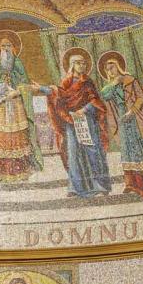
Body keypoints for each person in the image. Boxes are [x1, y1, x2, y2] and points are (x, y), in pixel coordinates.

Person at [33, 51, 111, 198]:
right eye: (78, 63)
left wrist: (84, 109)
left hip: (87, 120)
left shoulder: (87, 82)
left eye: (84, 63)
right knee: (73, 153)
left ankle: (100, 185)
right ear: (72, 65)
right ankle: (76, 187)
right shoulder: (66, 82)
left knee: (92, 151)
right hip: (71, 121)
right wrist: (41, 89)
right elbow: (58, 94)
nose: (82, 65)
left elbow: (96, 101)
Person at [99, 52, 143, 205]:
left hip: (135, 118)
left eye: (112, 67)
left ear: (118, 67)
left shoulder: (130, 80)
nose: (110, 71)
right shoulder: (108, 87)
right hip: (122, 121)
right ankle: (135, 185)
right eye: (107, 69)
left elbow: (141, 97)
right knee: (129, 151)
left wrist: (132, 111)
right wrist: (113, 83)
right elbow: (105, 97)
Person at [0, 64, 38, 183]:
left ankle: (20, 172)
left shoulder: (17, 69)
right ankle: (1, 172)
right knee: (2, 139)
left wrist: (16, 91)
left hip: (16, 111)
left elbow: (21, 86)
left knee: (16, 139)